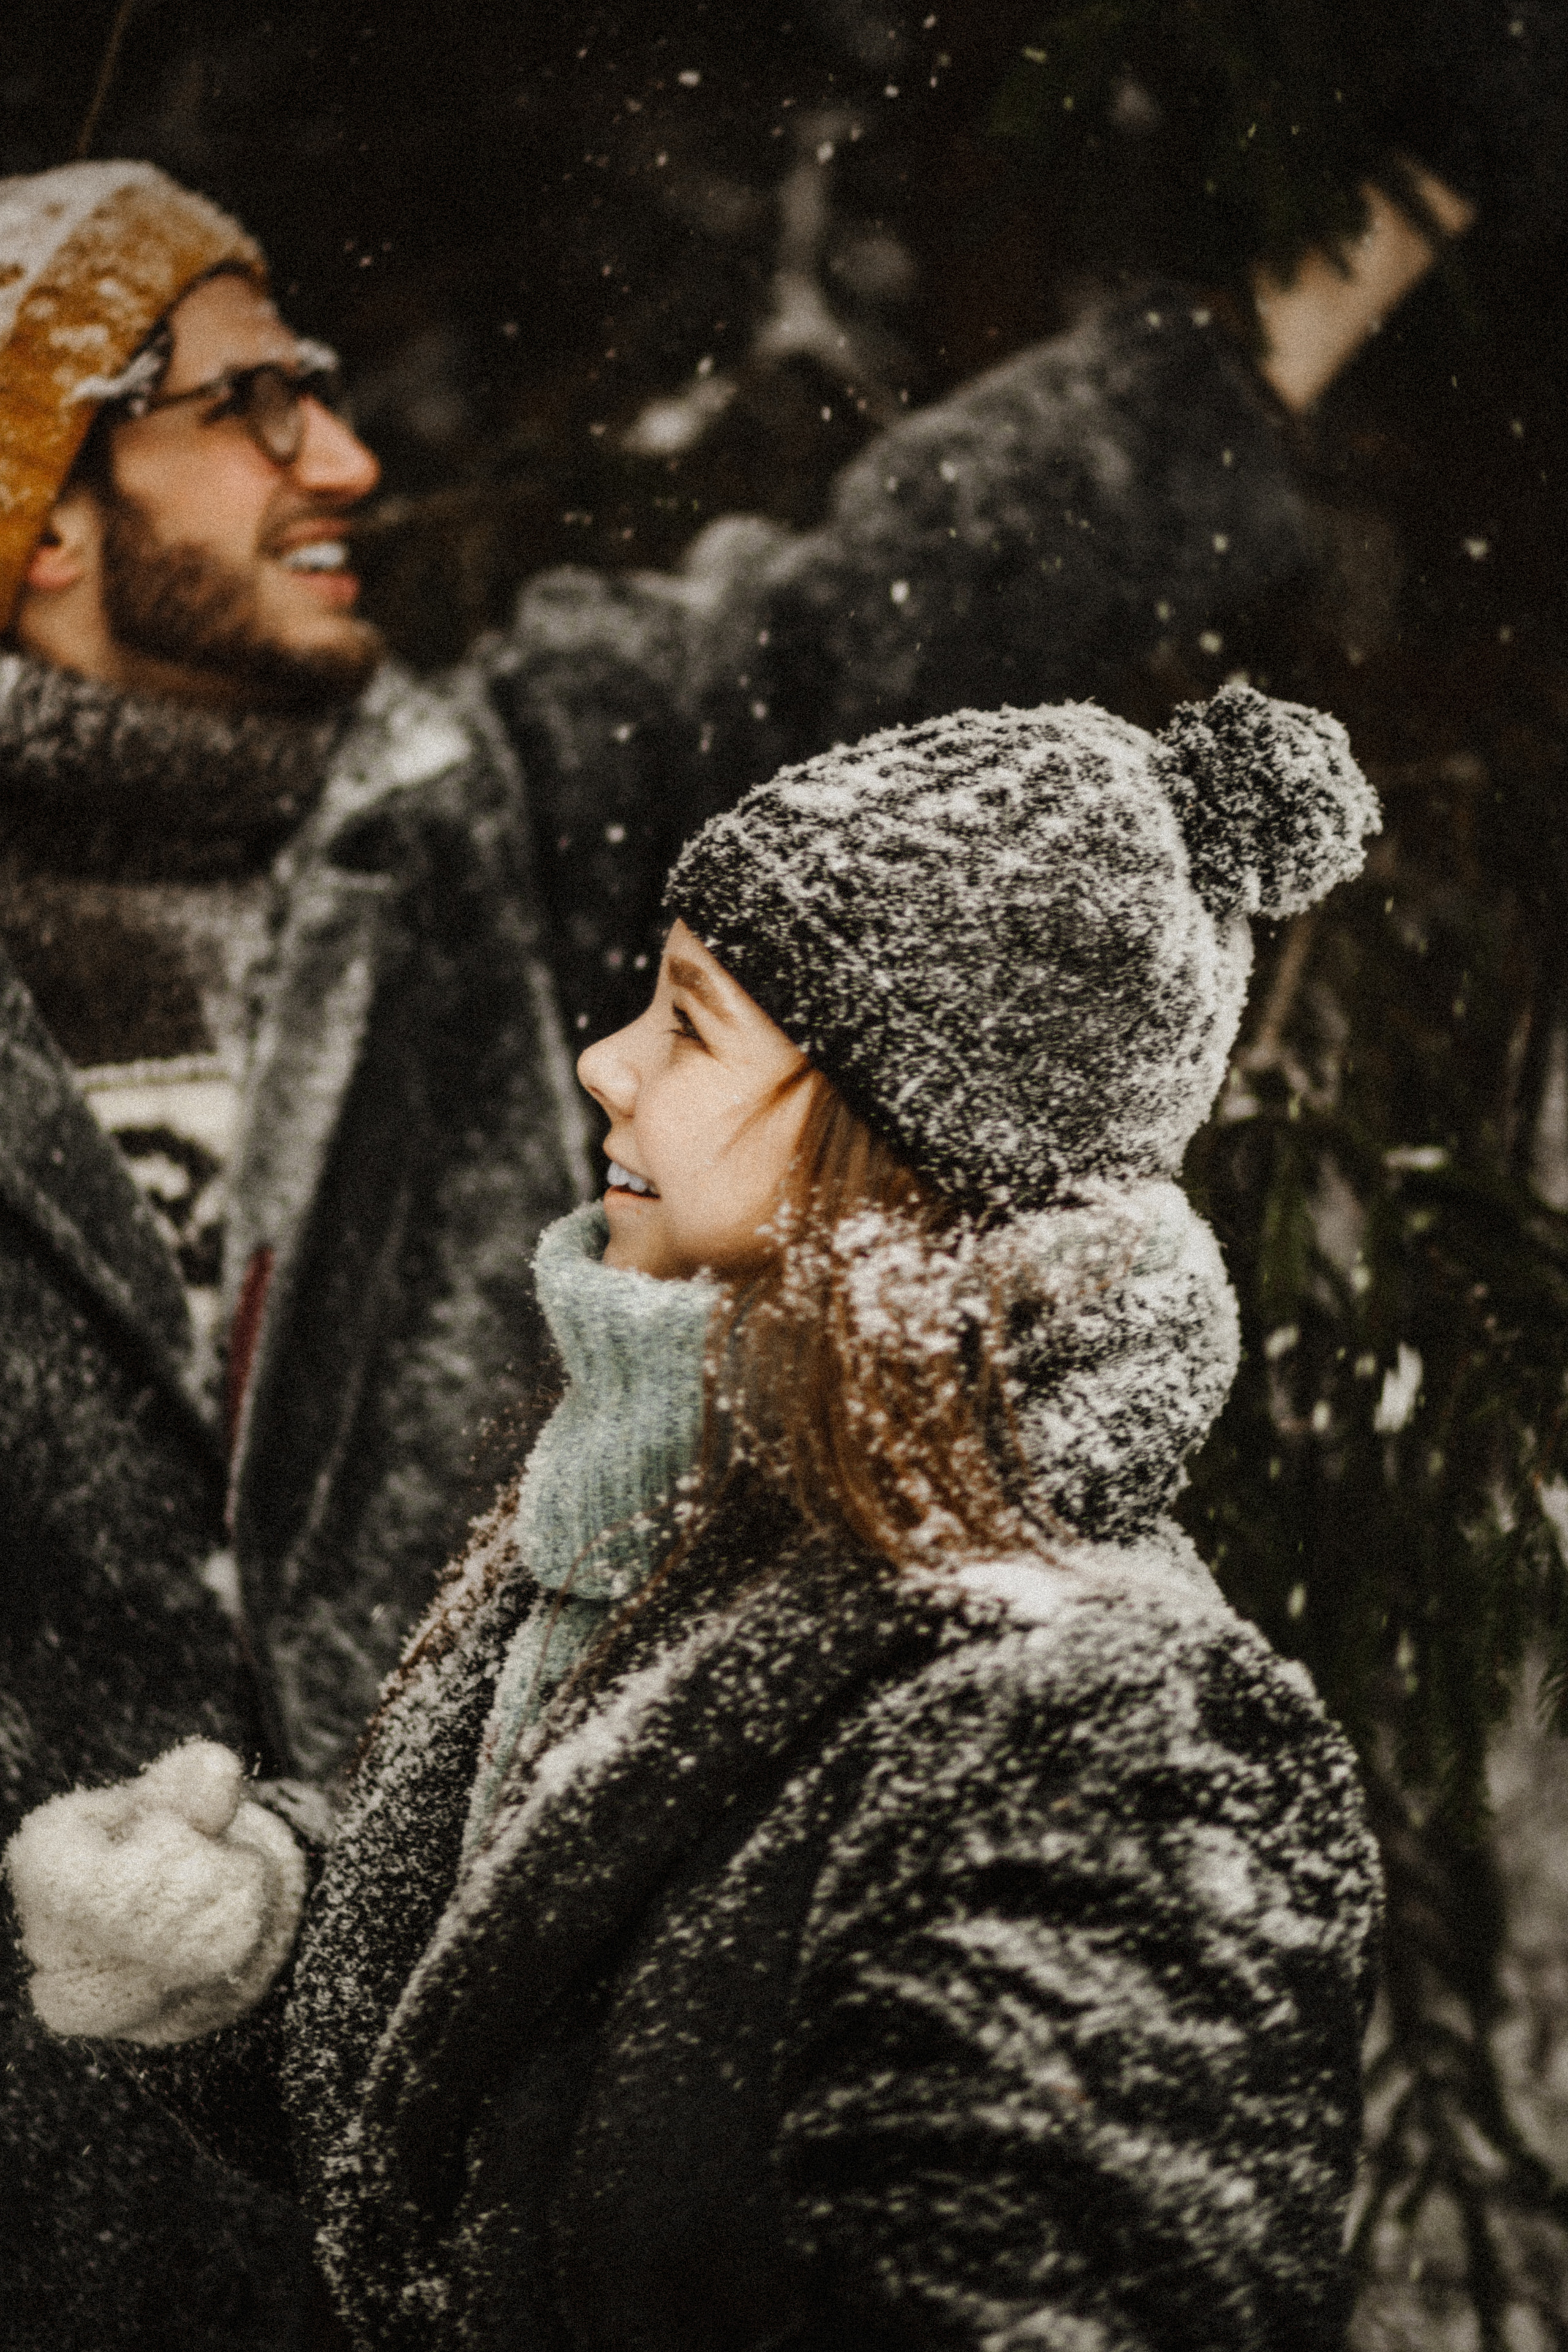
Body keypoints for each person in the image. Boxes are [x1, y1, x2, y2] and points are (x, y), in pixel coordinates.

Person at [10, 680, 1384, 2350]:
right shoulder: (643, 1527)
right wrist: (268, 1947)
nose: (605, 1063)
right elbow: (541, 2113)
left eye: (688, 1019)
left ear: (896, 1118)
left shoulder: (1106, 1728)